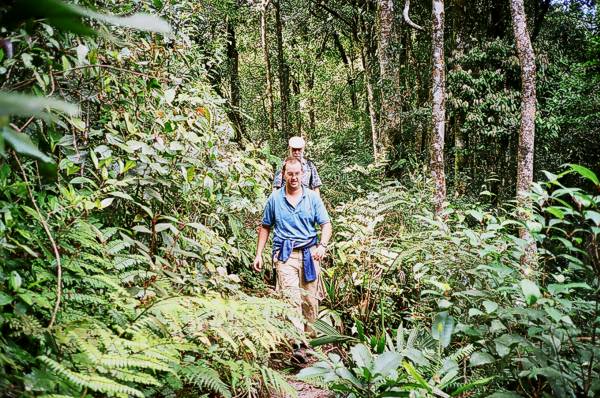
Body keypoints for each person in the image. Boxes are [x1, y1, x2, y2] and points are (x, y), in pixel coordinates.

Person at [253, 156, 332, 363]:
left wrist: (322, 246)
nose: (294, 177)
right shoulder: (275, 199)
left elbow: (326, 224)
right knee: (291, 300)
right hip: (285, 256)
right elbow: (265, 227)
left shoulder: (312, 198)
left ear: (302, 175)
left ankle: (309, 344)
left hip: (309, 255)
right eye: (290, 174)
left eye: (297, 174)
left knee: (309, 302)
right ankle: (297, 346)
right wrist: (259, 253)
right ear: (283, 175)